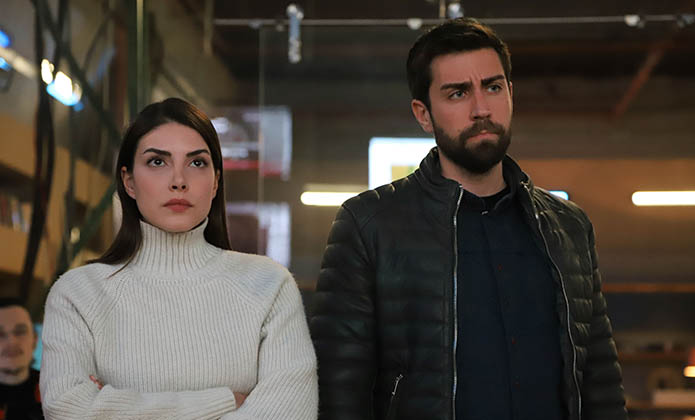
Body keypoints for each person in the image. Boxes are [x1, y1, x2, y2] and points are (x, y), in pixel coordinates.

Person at [311, 18, 627, 420]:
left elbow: (600, 383)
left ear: (510, 93)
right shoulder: (370, 224)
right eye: (458, 93)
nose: (481, 109)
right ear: (424, 114)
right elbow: (339, 392)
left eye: (492, 87)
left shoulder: (568, 227)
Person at [40, 98, 318, 419]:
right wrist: (223, 401)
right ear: (129, 182)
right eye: (157, 162)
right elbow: (67, 409)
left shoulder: (269, 286)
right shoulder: (78, 294)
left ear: (215, 182)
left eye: (197, 163)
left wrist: (112, 408)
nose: (178, 180)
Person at [0, 298, 43, 420]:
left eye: (20, 331)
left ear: (34, 340)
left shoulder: (56, 391)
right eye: (0, 334)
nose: (11, 342)